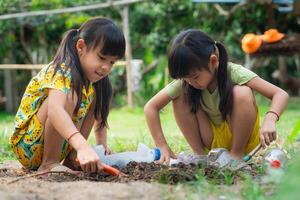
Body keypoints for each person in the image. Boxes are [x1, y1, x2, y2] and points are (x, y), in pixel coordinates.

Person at [144, 29, 289, 164]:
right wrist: (161, 145)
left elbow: (280, 94)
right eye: (186, 78)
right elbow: (150, 107)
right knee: (180, 97)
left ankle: (236, 155)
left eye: (195, 77)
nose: (190, 82)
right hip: (211, 138)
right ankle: (200, 156)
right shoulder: (188, 82)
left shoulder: (233, 72)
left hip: (241, 138)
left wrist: (270, 120)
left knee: (242, 92)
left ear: (213, 61)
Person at [9, 17, 125, 173]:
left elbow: (98, 114)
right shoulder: (62, 69)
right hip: (27, 145)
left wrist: (101, 147)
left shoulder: (94, 81)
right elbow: (55, 110)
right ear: (81, 46)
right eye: (102, 58)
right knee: (70, 95)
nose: (105, 67)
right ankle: (49, 163)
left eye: (112, 62)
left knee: (96, 95)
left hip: (60, 145)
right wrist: (82, 145)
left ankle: (71, 160)